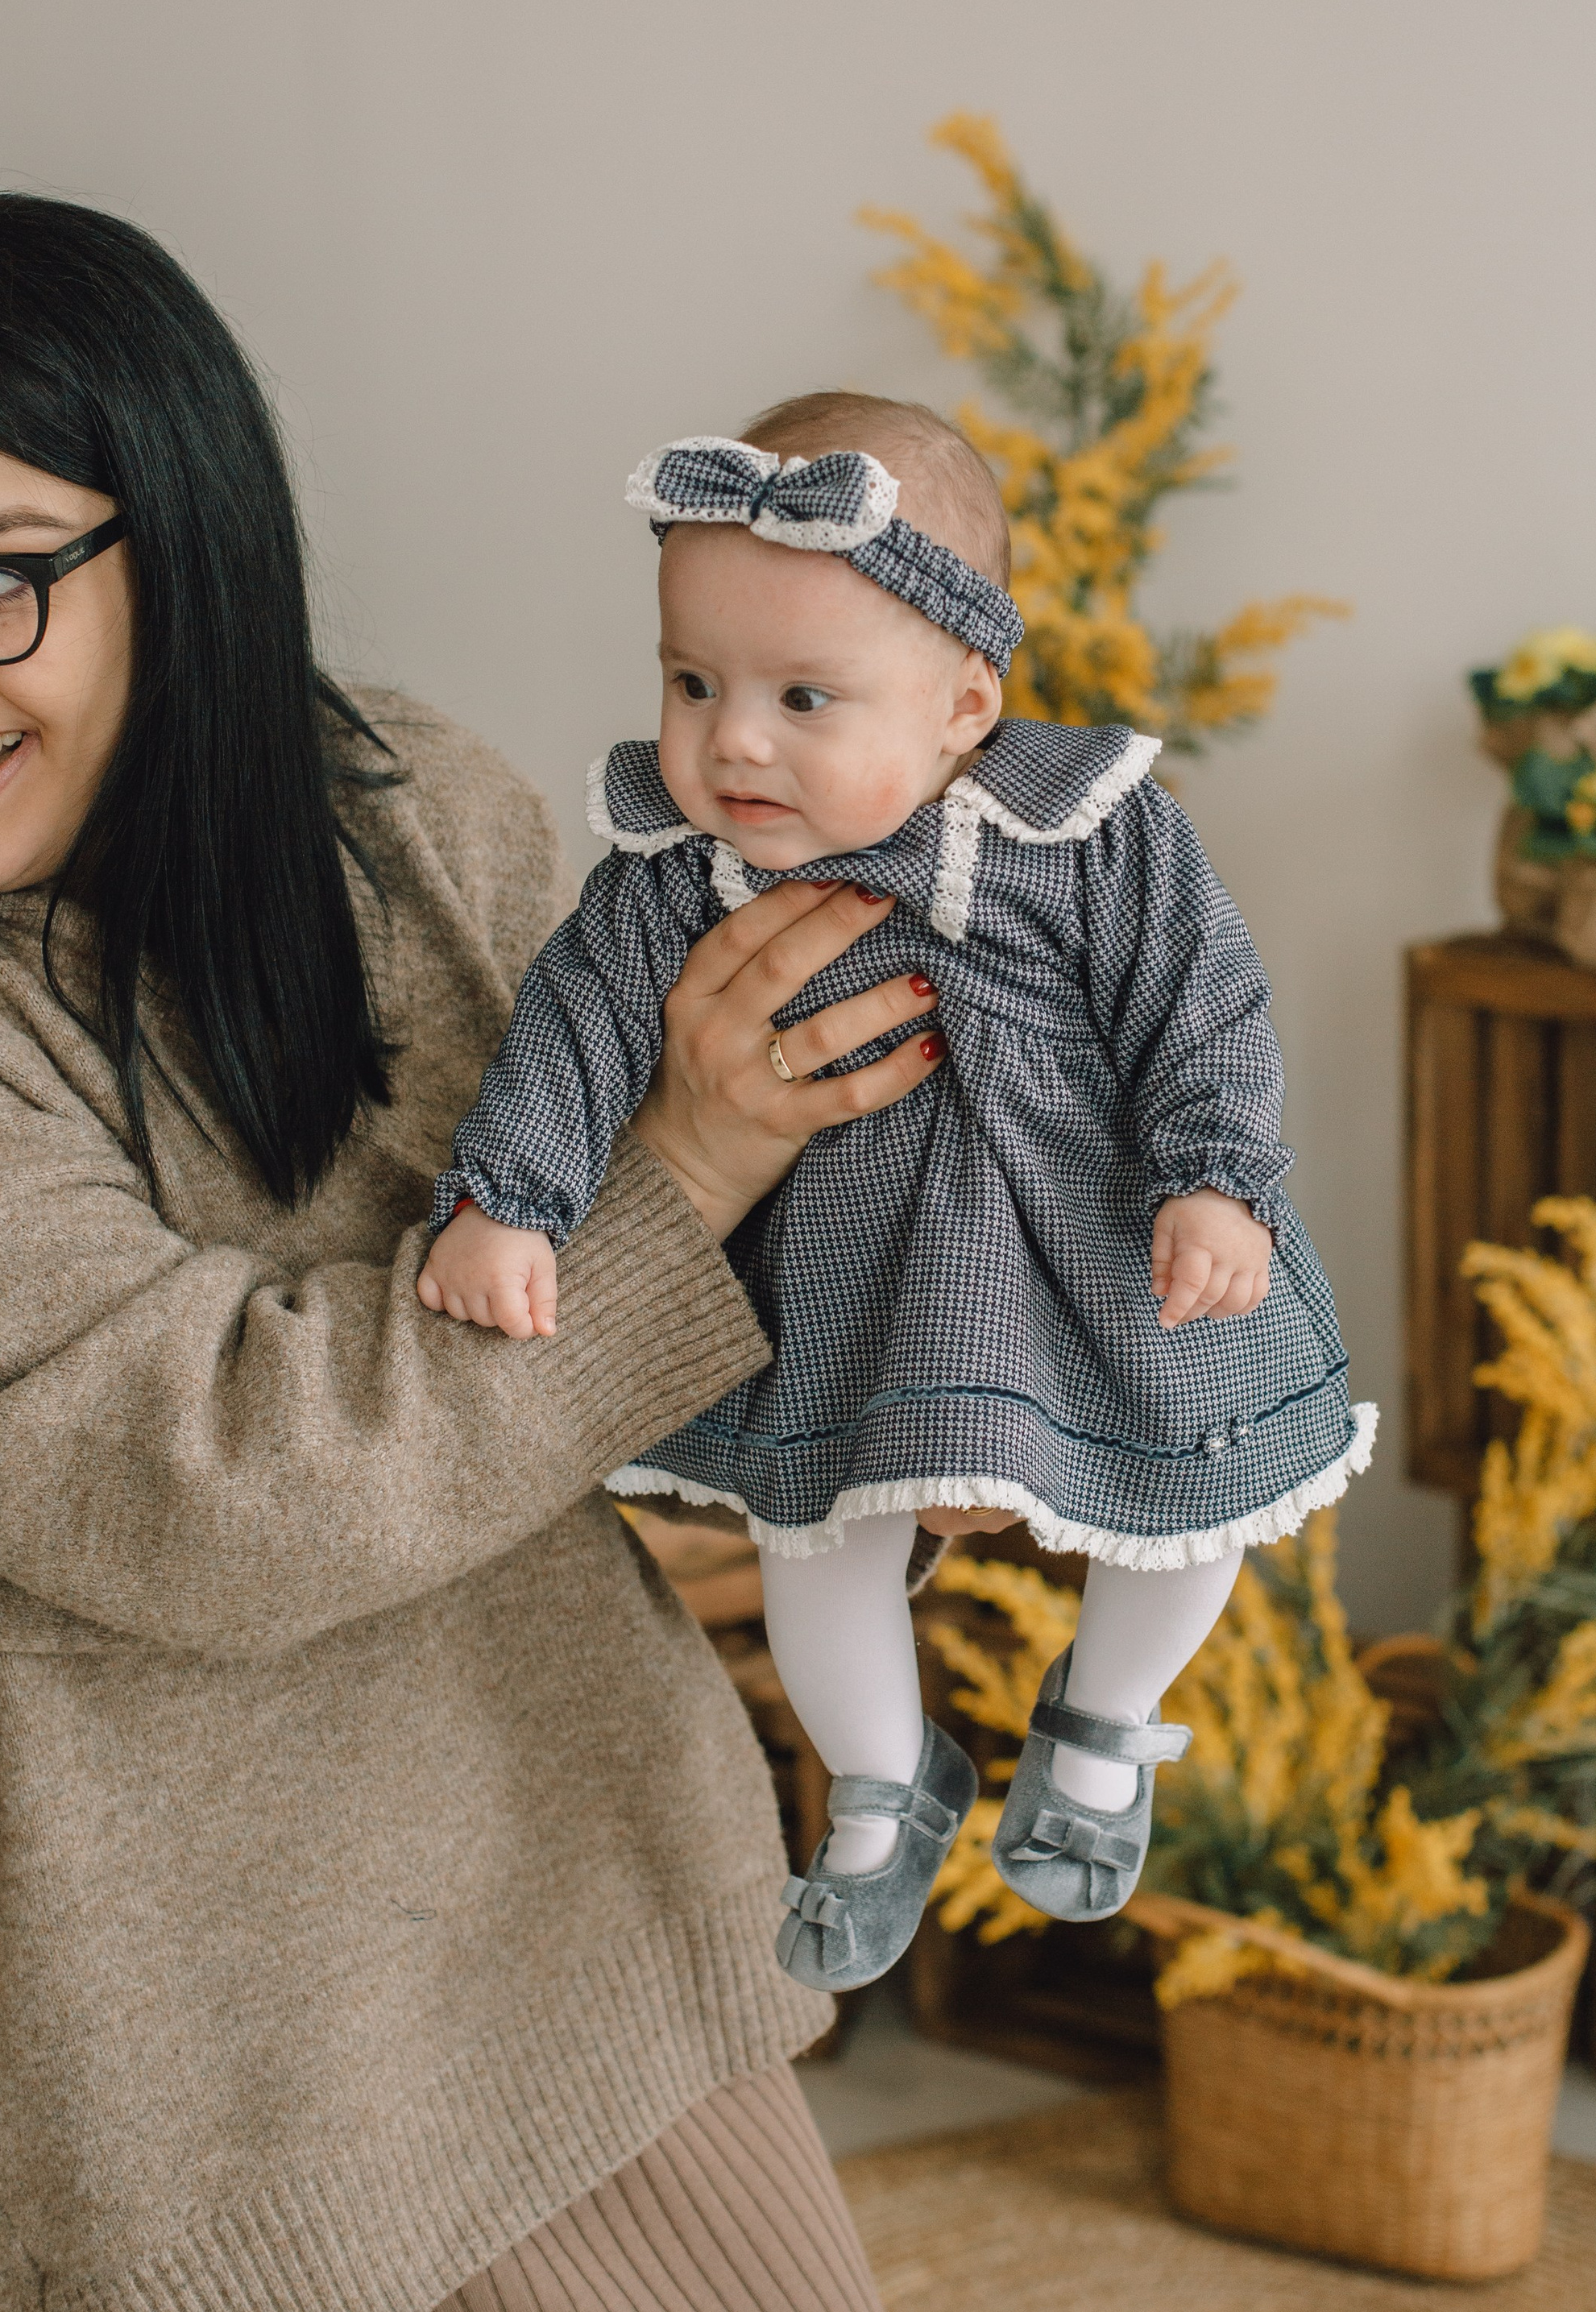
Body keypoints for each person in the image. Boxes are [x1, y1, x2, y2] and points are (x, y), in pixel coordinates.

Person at [0, 198, 949, 2312]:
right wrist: (682, 1183)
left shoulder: (405, 813)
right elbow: (221, 1493)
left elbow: (681, 1332)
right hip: (217, 2155)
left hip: (604, 1959)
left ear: (184, 538)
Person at [419, 394, 1375, 1996]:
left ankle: (1102, 1724)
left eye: (803, 695)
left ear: (961, 704)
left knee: (1192, 1492)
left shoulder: (1086, 834)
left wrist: (1214, 1183)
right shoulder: (673, 877)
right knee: (820, 1537)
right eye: (692, 683)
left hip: (1086, 1249)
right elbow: (572, 1036)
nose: (732, 739)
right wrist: (505, 1201)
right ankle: (877, 1786)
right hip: (853, 1288)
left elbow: (1198, 1006)